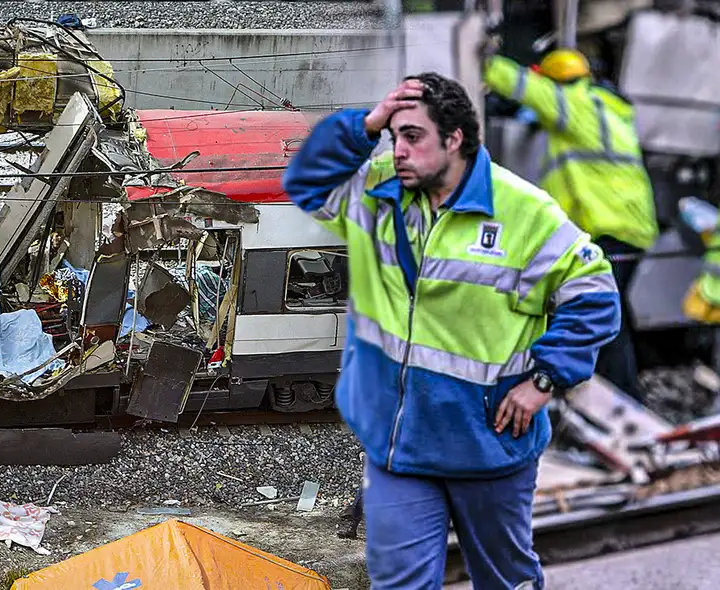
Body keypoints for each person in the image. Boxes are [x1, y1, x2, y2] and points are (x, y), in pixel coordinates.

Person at [282, 73, 621, 589]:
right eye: (393, 136)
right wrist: (366, 125)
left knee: (504, 580)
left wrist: (544, 381)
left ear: (454, 139)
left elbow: (595, 295)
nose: (398, 150)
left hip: (488, 444)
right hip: (400, 447)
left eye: (412, 137)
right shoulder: (381, 193)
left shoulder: (523, 212)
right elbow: (307, 183)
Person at [482, 48, 658, 401]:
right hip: (630, 225)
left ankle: (623, 397)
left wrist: (481, 55)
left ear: (555, 81)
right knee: (618, 306)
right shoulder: (605, 107)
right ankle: (631, 382)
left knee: (601, 312)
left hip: (608, 224)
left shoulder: (570, 103)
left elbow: (517, 83)